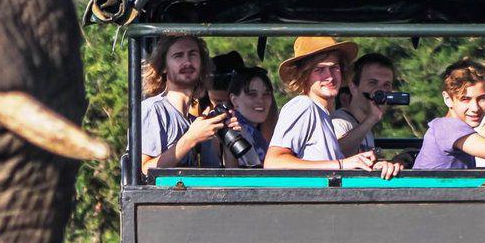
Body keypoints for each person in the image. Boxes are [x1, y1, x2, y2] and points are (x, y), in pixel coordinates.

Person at [264, 37, 402, 179]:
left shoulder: (323, 115)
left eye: (334, 68)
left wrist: (374, 166)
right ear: (304, 75)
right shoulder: (304, 106)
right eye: (319, 69)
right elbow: (273, 162)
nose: (329, 76)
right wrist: (341, 164)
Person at [140, 36, 240, 175]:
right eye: (178, 56)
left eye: (193, 54)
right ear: (163, 67)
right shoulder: (153, 110)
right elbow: (143, 171)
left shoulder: (199, 123)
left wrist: (229, 141)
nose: (187, 62)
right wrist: (192, 138)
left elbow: (218, 179)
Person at [413, 59, 485, 169]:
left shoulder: (458, 129)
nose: (475, 108)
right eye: (465, 99)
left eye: (481, 99)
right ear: (447, 99)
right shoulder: (448, 127)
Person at [332, 53, 395, 157]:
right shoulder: (339, 122)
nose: (380, 90)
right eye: (372, 83)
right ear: (353, 88)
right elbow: (336, 154)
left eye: (386, 85)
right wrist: (372, 118)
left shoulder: (366, 128)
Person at [222, 66, 278, 167]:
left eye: (266, 94)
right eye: (252, 94)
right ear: (234, 100)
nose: (261, 101)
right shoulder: (231, 129)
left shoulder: (258, 134)